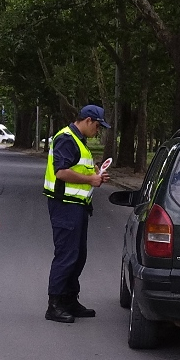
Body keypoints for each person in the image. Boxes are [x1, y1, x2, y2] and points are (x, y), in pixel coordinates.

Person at [43, 104, 111, 323]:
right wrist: (90, 179)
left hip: (78, 206)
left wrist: (96, 174)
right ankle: (54, 305)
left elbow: (77, 169)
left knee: (78, 256)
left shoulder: (78, 140)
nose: (98, 131)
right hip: (65, 206)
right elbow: (61, 172)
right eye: (98, 126)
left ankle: (70, 300)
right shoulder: (66, 138)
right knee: (66, 255)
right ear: (89, 120)